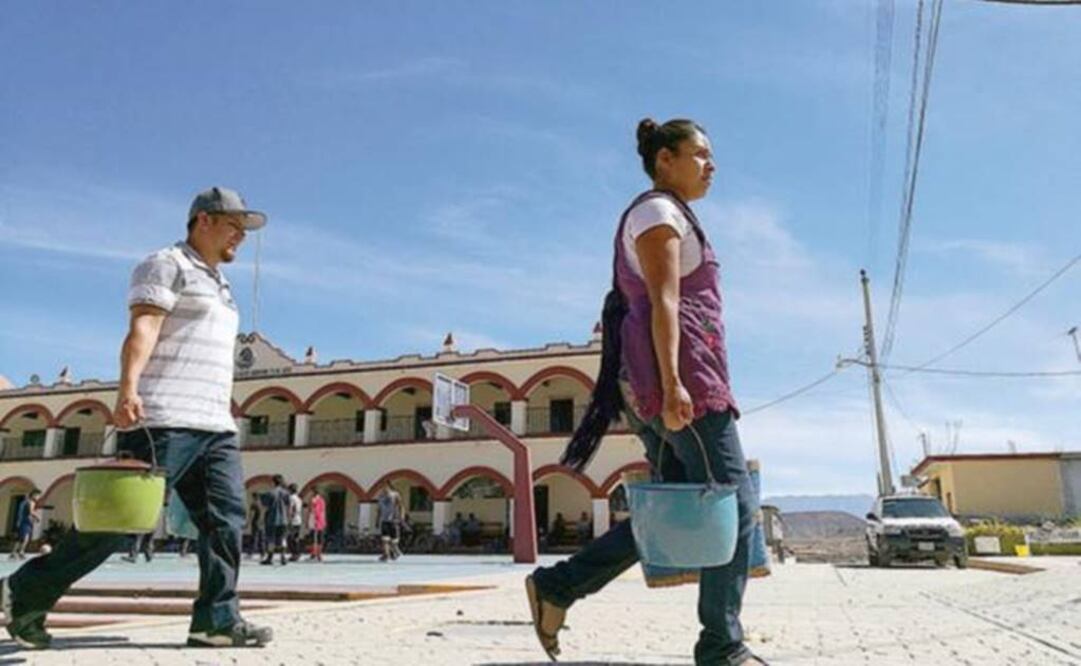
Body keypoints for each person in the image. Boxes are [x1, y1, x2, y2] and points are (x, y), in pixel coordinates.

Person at [525, 119, 762, 665]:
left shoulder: (672, 216)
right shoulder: (657, 213)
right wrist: (677, 384)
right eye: (699, 153)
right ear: (664, 159)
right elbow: (663, 302)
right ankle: (722, 648)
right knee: (735, 504)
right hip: (683, 385)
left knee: (676, 512)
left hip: (673, 380)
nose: (711, 165)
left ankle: (559, 587)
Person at [0, 187, 273, 650]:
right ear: (203, 221)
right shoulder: (166, 263)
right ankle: (24, 591)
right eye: (234, 225)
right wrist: (127, 388)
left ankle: (216, 620)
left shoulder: (221, 285)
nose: (240, 237)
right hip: (163, 418)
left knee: (225, 522)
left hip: (215, 426)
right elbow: (143, 327)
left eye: (244, 230)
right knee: (119, 523)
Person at [261, 475, 290, 566]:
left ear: (273, 482)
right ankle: (283, 557)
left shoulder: (270, 493)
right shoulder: (286, 493)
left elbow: (264, 506)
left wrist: (262, 519)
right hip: (283, 519)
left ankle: (270, 558)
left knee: (271, 539)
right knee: (283, 538)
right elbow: (288, 506)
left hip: (272, 519)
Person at [9, 490, 41, 561]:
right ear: (34, 495)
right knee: (25, 538)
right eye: (38, 495)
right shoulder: (31, 502)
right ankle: (21, 552)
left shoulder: (24, 502)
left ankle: (13, 552)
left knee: (20, 538)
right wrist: (37, 517)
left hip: (22, 522)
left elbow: (24, 512)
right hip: (26, 522)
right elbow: (31, 512)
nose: (38, 497)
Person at [377, 483, 403, 562]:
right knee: (385, 539)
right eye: (381, 487)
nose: (383, 489)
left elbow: (401, 506)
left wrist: (401, 516)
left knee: (394, 541)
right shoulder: (380, 497)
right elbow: (379, 510)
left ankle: (395, 552)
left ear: (389, 487)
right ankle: (386, 555)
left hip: (393, 520)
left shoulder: (395, 495)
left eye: (385, 487)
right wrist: (377, 520)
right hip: (384, 521)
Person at [307, 490, 326, 561]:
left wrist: (314, 519)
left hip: (316, 520)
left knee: (316, 537)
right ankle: (316, 554)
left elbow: (314, 510)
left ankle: (317, 554)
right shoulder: (322, 501)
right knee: (317, 537)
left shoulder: (316, 500)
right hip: (318, 520)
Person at [286, 483, 303, 561]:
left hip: (293, 520)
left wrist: (289, 519)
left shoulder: (291, 498)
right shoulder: (299, 499)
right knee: (296, 538)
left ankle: (294, 554)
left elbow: (291, 508)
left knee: (291, 538)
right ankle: (298, 553)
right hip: (298, 519)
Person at [246, 493, 265, 559]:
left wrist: (247, 523)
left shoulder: (254, 504)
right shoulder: (262, 504)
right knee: (261, 539)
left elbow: (251, 515)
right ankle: (262, 553)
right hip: (262, 524)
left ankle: (250, 553)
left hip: (256, 523)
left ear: (254, 497)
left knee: (254, 538)